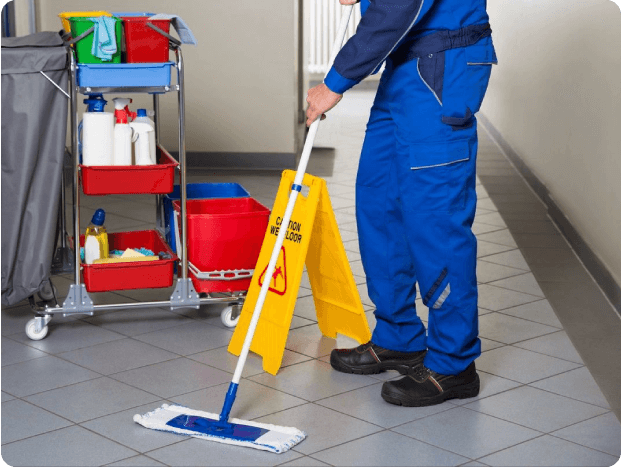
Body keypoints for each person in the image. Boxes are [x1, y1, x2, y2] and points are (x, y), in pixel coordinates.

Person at [306, 0, 497, 407]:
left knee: (435, 219)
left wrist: (334, 82)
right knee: (380, 205)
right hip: (405, 65)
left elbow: (401, 4)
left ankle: (454, 363)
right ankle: (399, 338)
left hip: (443, 65)